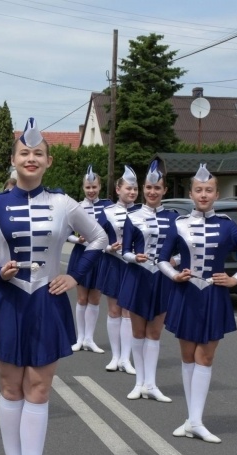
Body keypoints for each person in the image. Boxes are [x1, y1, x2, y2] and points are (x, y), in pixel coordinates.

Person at [0, 119, 107, 455]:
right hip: (9, 302)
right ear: (13, 160)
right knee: (11, 387)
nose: (31, 159)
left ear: (48, 161)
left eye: (38, 154)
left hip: (46, 301)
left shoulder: (64, 203)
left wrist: (75, 276)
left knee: (40, 389)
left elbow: (98, 238)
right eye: (24, 153)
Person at [158, 164, 237, 443]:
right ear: (191, 193)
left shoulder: (228, 224)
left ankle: (196, 421)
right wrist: (175, 274)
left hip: (214, 295)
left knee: (206, 356)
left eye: (209, 190)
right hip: (186, 294)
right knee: (188, 356)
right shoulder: (177, 223)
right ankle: (191, 419)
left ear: (216, 194)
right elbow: (161, 258)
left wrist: (235, 279)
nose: (204, 195)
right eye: (199, 190)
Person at [118, 161, 177, 402]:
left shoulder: (175, 218)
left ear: (164, 190)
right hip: (138, 277)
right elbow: (124, 250)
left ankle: (151, 384)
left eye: (158, 188)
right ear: (144, 189)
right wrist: (135, 257)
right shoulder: (132, 216)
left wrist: (175, 260)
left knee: (154, 333)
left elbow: (183, 250)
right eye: (149, 187)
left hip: (162, 279)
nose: (153, 192)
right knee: (138, 332)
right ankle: (139, 382)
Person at [67, 165, 112, 354]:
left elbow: (113, 233)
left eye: (94, 187)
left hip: (100, 256)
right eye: (88, 187)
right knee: (82, 297)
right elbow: (66, 234)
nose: (91, 191)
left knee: (95, 298)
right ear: (83, 188)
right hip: (81, 255)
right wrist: (79, 239)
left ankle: (89, 339)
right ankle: (79, 338)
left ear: (100, 187)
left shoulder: (109, 207)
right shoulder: (76, 206)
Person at [100, 166, 140, 374]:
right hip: (114, 264)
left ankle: (127, 358)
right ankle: (115, 356)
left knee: (129, 312)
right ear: (118, 189)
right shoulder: (106, 212)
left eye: (135, 189)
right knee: (114, 310)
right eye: (128, 188)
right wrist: (108, 247)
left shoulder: (143, 212)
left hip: (133, 266)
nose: (132, 192)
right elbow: (94, 239)